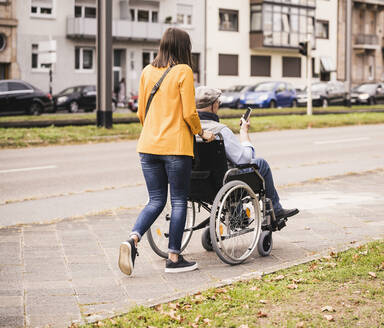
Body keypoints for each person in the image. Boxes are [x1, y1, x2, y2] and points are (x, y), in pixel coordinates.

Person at [118, 28, 214, 275]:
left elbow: (141, 113)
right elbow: (189, 113)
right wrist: (202, 133)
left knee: (155, 200)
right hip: (175, 147)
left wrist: (153, 133)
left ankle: (132, 239)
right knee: (179, 200)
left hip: (147, 146)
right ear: (184, 48)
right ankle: (174, 258)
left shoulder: (147, 71)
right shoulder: (184, 71)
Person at [195, 86, 299, 223]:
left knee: (225, 166)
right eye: (219, 103)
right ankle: (276, 210)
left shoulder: (188, 128)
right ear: (213, 105)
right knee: (260, 163)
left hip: (196, 183)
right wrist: (244, 133)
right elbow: (244, 159)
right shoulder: (221, 131)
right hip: (223, 183)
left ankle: (238, 213)